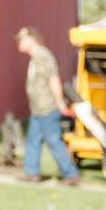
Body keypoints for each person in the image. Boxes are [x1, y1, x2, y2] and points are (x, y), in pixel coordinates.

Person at [14, 26, 80, 185]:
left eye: (21, 39)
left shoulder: (43, 56)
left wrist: (60, 103)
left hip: (47, 108)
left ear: (31, 39)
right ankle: (31, 173)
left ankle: (70, 174)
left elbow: (53, 80)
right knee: (32, 140)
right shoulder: (36, 58)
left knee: (53, 141)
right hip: (38, 110)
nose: (19, 43)